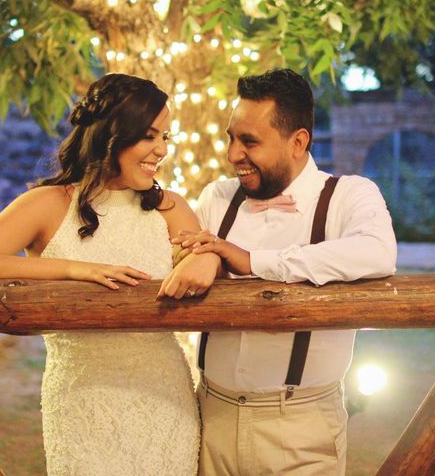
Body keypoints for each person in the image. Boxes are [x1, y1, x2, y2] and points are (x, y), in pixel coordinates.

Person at [0, 73, 220, 475]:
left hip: (163, 395)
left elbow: (203, 262)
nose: (161, 150)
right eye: (149, 136)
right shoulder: (48, 204)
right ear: (112, 135)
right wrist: (75, 270)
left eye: (166, 138)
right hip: (81, 398)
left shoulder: (169, 207)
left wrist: (204, 259)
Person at [168, 69, 397, 475]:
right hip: (211, 415)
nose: (233, 154)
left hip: (299, 426)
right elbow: (175, 258)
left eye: (249, 141)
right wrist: (208, 258)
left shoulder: (349, 195)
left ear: (298, 142)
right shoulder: (217, 197)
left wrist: (252, 260)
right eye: (231, 138)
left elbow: (377, 254)